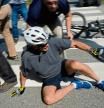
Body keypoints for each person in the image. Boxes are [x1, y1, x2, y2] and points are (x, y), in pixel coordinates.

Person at [11, 27, 104, 104]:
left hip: (62, 67)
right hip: (49, 78)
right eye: (42, 44)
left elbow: (75, 43)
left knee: (75, 64)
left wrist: (93, 50)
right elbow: (23, 73)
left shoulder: (51, 42)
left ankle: (99, 81)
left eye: (46, 41)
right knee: (48, 100)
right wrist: (22, 87)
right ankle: (76, 84)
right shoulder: (27, 57)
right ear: (33, 45)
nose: (46, 45)